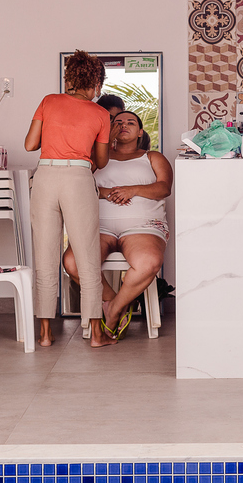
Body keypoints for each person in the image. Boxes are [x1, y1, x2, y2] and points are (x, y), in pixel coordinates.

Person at [25, 50, 111, 348]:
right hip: (77, 179)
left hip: (45, 177)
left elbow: (30, 143)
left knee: (44, 255)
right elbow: (101, 160)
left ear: (70, 77)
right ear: (96, 82)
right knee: (88, 256)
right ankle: (97, 334)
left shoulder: (49, 101)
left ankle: (46, 334)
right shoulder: (101, 114)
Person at [64, 110, 172, 343]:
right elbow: (75, 184)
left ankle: (113, 312)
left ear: (140, 132)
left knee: (149, 262)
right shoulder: (95, 158)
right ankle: (116, 301)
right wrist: (102, 192)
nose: (124, 125)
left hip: (142, 226)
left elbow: (164, 188)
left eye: (130, 122)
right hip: (99, 226)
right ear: (109, 129)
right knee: (72, 262)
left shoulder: (152, 157)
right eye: (118, 122)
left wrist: (131, 189)